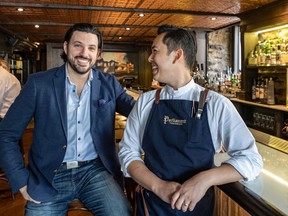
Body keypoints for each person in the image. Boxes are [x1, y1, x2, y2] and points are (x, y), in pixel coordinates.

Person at [118, 24, 263, 216]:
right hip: (151, 206)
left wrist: (204, 179)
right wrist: (159, 186)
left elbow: (252, 160)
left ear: (177, 55)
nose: (149, 58)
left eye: (155, 51)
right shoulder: (146, 101)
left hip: (196, 209)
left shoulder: (216, 104)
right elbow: (128, 153)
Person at [0, 23, 135, 215]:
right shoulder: (39, 84)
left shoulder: (109, 84)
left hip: (94, 171)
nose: (84, 53)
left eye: (91, 48)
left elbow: (139, 112)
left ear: (98, 53)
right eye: (77, 45)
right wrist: (20, 180)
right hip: (48, 175)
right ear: (65, 47)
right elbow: (6, 134)